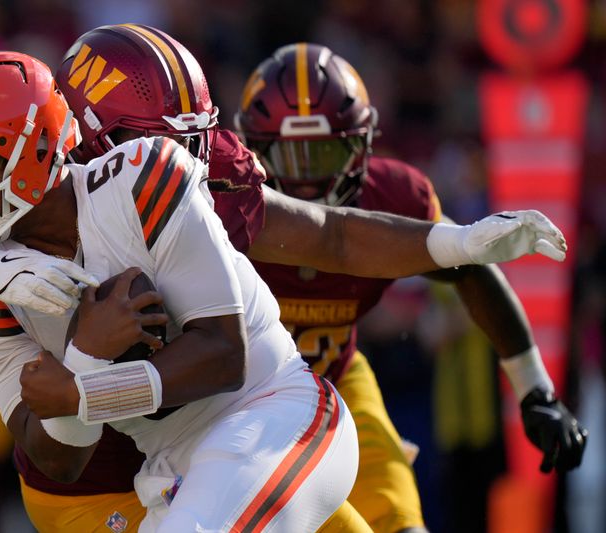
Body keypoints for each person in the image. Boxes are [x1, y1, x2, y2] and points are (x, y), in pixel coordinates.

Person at [0, 26, 572, 533]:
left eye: (191, 138)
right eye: (154, 136)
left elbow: (324, 238)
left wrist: (453, 243)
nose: (190, 160)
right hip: (116, 479)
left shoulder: (170, 175)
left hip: (272, 412)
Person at [0, 49, 368, 532]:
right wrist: (85, 356)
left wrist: (83, 390)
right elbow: (58, 459)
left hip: (272, 417)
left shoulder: (138, 178)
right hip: (170, 472)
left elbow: (225, 356)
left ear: (34, 149)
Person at [232, 42, 589, 532]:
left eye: (325, 151)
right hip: (235, 404)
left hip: (338, 383)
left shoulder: (394, 196)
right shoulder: (221, 208)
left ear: (362, 146)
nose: (309, 180)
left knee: (404, 525)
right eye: (290, 156)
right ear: (252, 150)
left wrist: (535, 390)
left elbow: (470, 270)